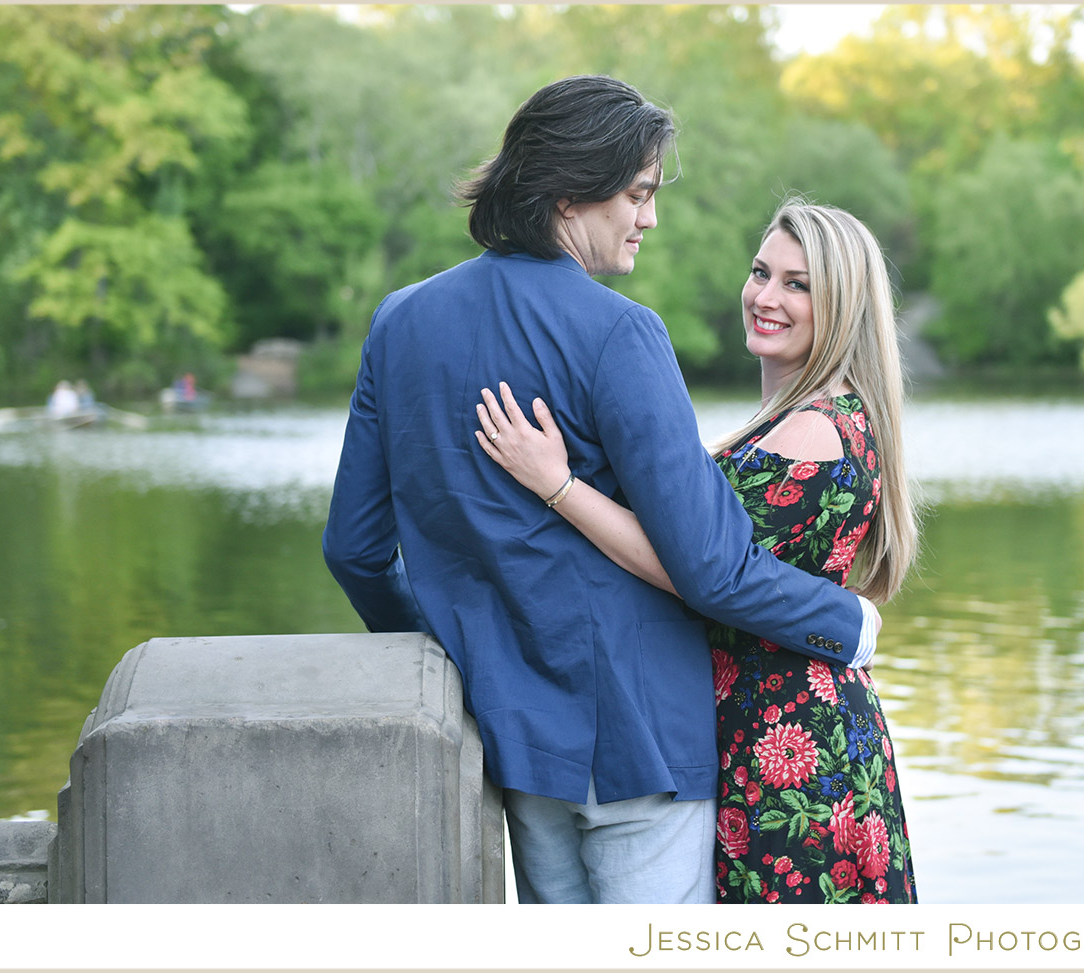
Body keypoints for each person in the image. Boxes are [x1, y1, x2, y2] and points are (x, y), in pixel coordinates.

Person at [322, 76, 880, 905]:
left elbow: (356, 551)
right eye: (638, 193)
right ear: (570, 194)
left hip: (518, 745)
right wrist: (850, 623)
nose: (649, 216)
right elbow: (713, 567)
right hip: (642, 742)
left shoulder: (399, 321)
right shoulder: (621, 332)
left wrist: (464, 663)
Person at [475, 197, 919, 903]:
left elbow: (699, 569)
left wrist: (555, 484)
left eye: (797, 284)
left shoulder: (815, 432)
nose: (765, 297)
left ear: (844, 305)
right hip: (761, 724)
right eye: (760, 272)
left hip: (790, 748)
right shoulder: (796, 419)